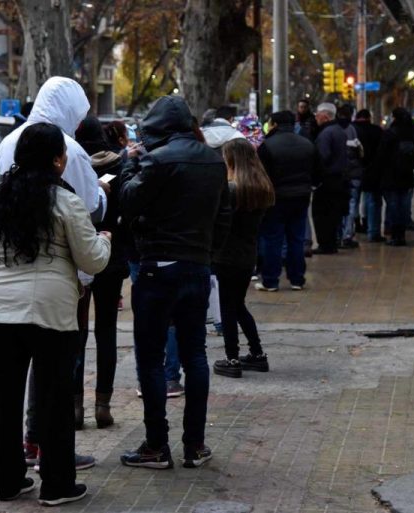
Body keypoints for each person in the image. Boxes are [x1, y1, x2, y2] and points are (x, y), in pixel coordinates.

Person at [0, 122, 111, 506]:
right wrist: (105, 240)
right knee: (54, 401)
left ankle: (9, 482)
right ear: (58, 161)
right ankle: (57, 486)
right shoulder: (66, 201)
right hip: (52, 315)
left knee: (0, 402)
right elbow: (92, 260)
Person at [119, 95, 230, 469]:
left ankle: (156, 445)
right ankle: (195, 445)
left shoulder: (156, 159)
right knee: (194, 354)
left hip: (157, 268)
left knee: (151, 359)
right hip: (197, 267)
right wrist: (207, 252)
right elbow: (224, 215)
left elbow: (129, 200)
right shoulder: (213, 160)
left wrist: (128, 165)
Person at [72, 117, 130, 430]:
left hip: (79, 258)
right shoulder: (121, 167)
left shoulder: (70, 165)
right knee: (106, 331)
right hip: (111, 257)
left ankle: (76, 407)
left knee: (77, 334)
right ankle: (103, 405)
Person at [0, 77, 106, 224]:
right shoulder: (70, 149)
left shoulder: (7, 142)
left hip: (7, 237)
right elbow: (90, 210)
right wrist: (101, 192)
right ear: (71, 111)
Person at [212, 138, 274, 378]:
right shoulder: (261, 187)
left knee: (228, 307)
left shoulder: (231, 190)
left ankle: (232, 357)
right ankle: (256, 353)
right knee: (237, 305)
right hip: (248, 254)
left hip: (226, 254)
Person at [255, 110, 316, 291]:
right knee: (296, 238)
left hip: (276, 198)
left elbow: (260, 174)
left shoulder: (267, 146)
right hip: (301, 197)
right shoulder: (307, 144)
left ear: (274, 124)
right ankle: (297, 278)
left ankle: (271, 280)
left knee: (273, 239)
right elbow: (317, 170)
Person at [376, 108, 414, 246]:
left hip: (391, 176)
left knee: (393, 206)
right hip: (407, 176)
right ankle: (401, 235)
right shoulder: (411, 134)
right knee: (403, 206)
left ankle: (394, 235)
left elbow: (381, 156)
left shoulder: (389, 134)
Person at [312, 102, 349, 254]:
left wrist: (316, 177)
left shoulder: (326, 134)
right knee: (334, 214)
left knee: (322, 214)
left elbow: (322, 157)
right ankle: (332, 243)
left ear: (325, 116)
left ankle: (325, 244)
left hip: (327, 180)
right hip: (339, 179)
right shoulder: (339, 131)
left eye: (318, 114)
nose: (315, 117)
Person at [353, 109, 385, 242]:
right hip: (372, 171)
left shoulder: (352, 130)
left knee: (353, 200)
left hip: (354, 170)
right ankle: (372, 230)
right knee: (372, 200)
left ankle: (353, 227)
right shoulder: (377, 131)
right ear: (369, 118)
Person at [336, 104, 365, 249]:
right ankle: (347, 235)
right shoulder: (352, 130)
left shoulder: (332, 130)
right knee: (352, 204)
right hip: (353, 173)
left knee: (339, 205)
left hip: (339, 175)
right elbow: (360, 152)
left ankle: (339, 235)